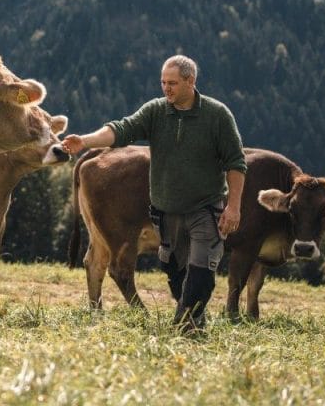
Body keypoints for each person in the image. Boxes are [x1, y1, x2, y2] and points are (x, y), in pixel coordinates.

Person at [62, 55, 245, 331]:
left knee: (201, 268)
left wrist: (233, 206)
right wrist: (84, 140)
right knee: (175, 273)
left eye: (172, 83)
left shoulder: (217, 115)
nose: (166, 88)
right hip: (166, 212)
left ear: (190, 81)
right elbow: (121, 129)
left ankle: (186, 327)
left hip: (205, 209)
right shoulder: (156, 111)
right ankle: (193, 318)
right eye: (163, 82)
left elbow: (236, 162)